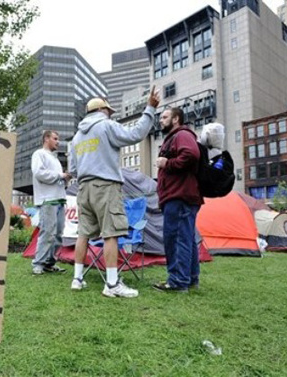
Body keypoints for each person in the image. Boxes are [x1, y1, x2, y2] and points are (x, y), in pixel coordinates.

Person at [69, 87, 160, 297]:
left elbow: (73, 169)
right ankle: (111, 285)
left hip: (84, 188)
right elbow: (136, 134)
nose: (110, 113)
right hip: (106, 186)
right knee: (111, 233)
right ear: (101, 110)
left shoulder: (76, 137)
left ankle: (77, 278)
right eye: (108, 110)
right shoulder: (107, 126)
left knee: (83, 233)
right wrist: (149, 109)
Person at [154, 107, 204, 293]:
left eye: (165, 117)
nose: (161, 120)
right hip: (181, 196)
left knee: (175, 238)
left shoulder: (181, 134)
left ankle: (177, 281)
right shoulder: (177, 136)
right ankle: (189, 278)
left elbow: (191, 154)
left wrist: (167, 163)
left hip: (179, 196)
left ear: (176, 119)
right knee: (186, 238)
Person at [30, 130, 71, 275]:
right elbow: (39, 173)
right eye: (55, 138)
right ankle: (38, 263)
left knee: (58, 233)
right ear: (46, 139)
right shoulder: (39, 154)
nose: (58, 141)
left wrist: (64, 179)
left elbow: (55, 178)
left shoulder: (54, 159)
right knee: (47, 232)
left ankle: (50, 263)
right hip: (47, 199)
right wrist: (60, 175)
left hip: (59, 198)